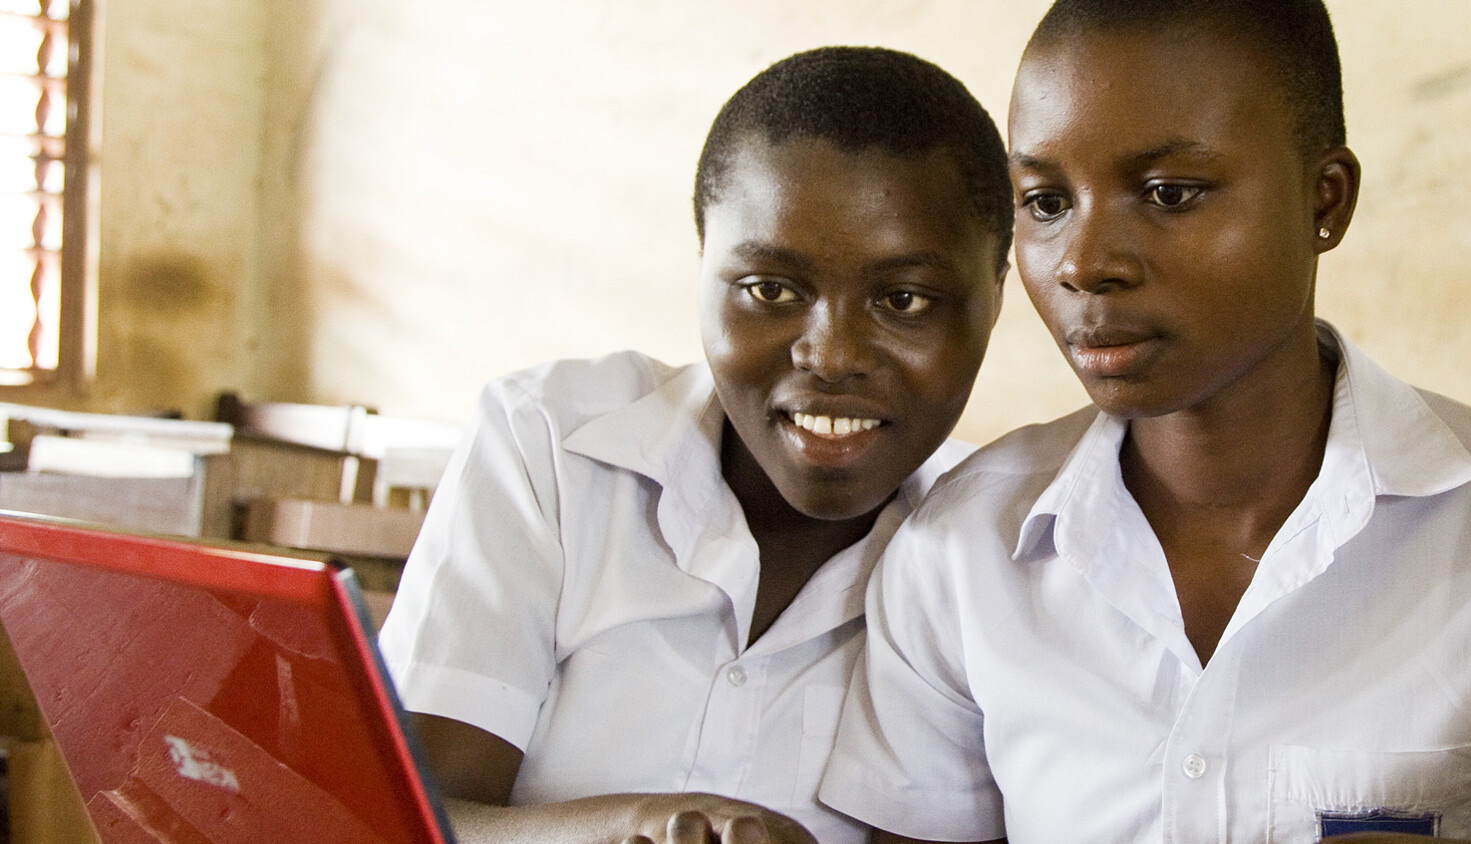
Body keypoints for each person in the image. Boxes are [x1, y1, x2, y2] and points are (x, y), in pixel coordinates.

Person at [818, 2, 1471, 842]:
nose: (1084, 263)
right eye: (1045, 202)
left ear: (1324, 200)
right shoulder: (962, 554)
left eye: (1169, 193)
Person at [376, 45, 1012, 844]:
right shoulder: (551, 446)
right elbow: (406, 818)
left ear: (997, 296)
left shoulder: (999, 558)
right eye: (770, 289)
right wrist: (639, 827)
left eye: (906, 300)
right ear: (704, 262)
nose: (831, 355)